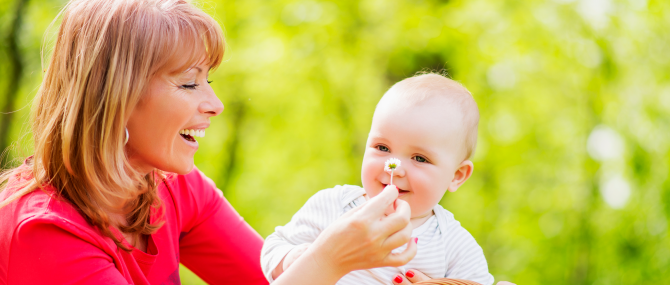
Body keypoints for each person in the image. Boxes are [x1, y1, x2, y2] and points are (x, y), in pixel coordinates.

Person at [0, 0, 422, 284]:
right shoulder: (43, 233)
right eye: (188, 83)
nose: (215, 104)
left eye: (209, 80)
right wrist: (327, 261)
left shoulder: (171, 186)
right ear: (116, 99)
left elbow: (266, 278)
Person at [261, 73, 496, 285]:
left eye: (420, 158)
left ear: (456, 176)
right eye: (382, 147)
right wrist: (293, 259)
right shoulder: (334, 205)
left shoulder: (454, 244)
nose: (394, 167)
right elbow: (272, 247)